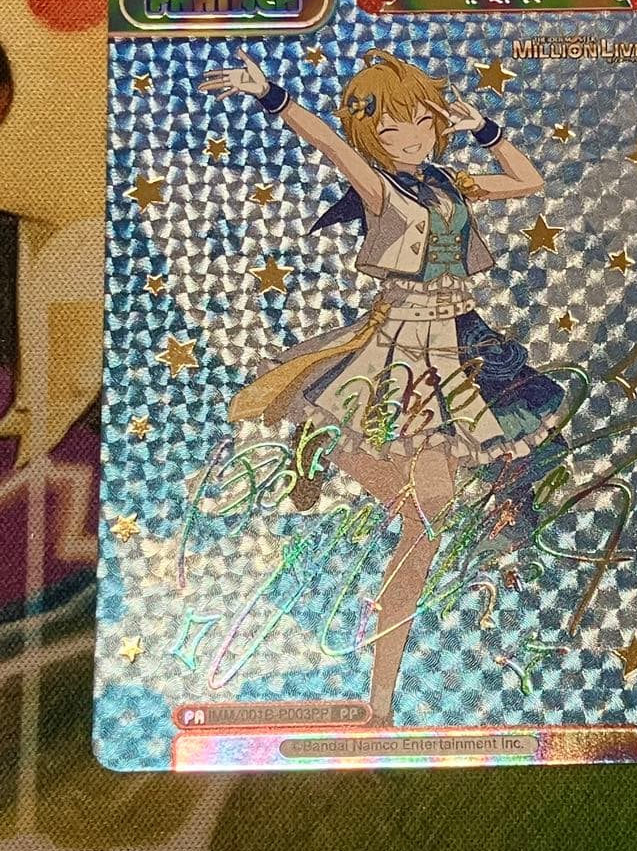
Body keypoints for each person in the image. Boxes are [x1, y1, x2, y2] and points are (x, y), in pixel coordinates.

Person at [199, 47, 563, 723]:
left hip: (458, 343)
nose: (408, 137)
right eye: (390, 129)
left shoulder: (453, 183)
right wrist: (270, 94)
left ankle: (332, 458)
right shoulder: (380, 188)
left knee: (445, 506)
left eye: (419, 121)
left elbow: (528, 180)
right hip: (399, 350)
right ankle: (380, 700)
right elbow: (330, 144)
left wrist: (485, 127)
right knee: (425, 523)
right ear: (374, 137)